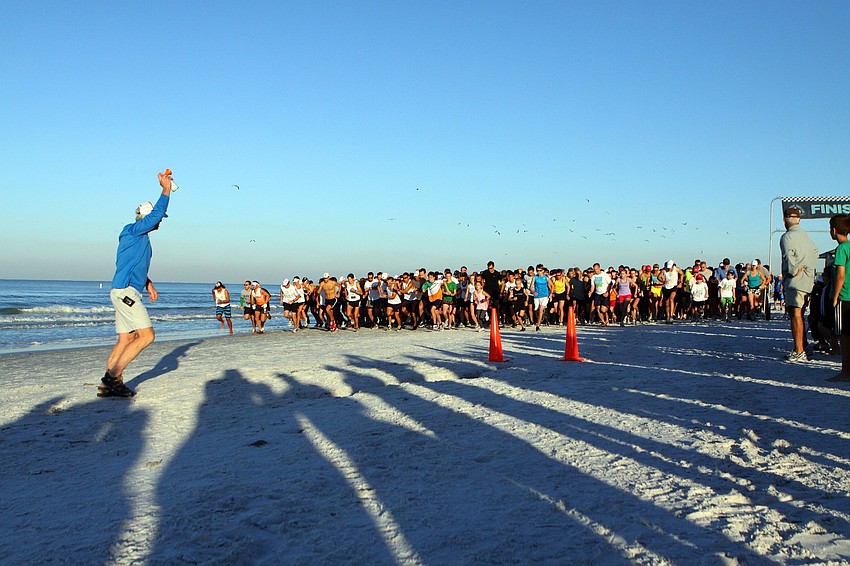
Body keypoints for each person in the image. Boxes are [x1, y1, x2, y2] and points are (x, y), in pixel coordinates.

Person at [101, 170, 173, 398]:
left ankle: (106, 385)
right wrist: (165, 189)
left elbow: (134, 266)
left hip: (124, 290)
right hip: (125, 292)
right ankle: (113, 379)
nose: (160, 222)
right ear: (146, 217)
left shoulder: (138, 238)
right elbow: (157, 214)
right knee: (147, 336)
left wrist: (148, 284)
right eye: (157, 219)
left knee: (126, 338)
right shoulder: (133, 231)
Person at [780, 206, 818, 362]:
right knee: (800, 314)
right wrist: (808, 268)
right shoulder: (806, 237)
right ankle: (803, 346)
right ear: (799, 220)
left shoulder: (787, 237)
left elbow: (789, 257)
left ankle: (799, 351)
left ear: (784, 220)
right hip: (807, 280)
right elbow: (815, 252)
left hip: (795, 282)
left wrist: (793, 270)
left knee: (795, 315)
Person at [828, 214, 850, 381]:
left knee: (844, 336)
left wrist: (835, 296)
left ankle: (845, 371)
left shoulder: (841, 249)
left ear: (834, 230)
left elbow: (840, 276)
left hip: (844, 296)